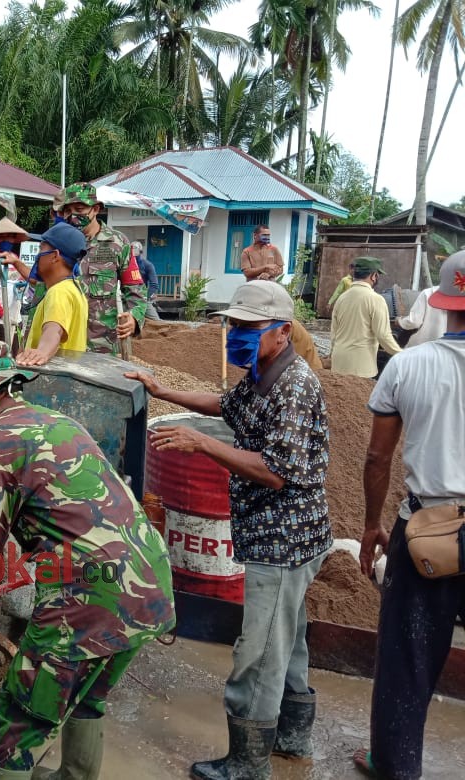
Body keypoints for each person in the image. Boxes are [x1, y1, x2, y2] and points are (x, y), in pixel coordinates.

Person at [0, 342, 175, 779]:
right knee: (87, 696)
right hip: (149, 580)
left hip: (87, 598)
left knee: (16, 726)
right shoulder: (59, 421)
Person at [126, 280, 332, 780]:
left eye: (247, 327)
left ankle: (247, 762)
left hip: (283, 540)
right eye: (232, 325)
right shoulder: (264, 373)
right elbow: (226, 405)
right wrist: (162, 390)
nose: (235, 335)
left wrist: (202, 446)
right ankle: (291, 734)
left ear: (282, 332)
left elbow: (275, 470)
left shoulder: (296, 386)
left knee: (258, 652)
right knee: (290, 638)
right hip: (281, 534)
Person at [353, 250, 465, 780]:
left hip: (428, 532)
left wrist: (372, 525)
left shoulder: (409, 365)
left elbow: (378, 457)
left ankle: (395, 764)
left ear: (444, 304)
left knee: (408, 653)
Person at [59, 183, 147, 354]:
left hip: (101, 346)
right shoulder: (57, 243)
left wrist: (134, 318)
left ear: (96, 209)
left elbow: (137, 291)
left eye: (79, 208)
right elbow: (42, 290)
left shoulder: (118, 243)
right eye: (68, 211)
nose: (73, 216)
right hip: (62, 342)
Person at [15, 222, 88, 367]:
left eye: (41, 249)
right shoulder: (74, 288)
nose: (38, 255)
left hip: (55, 382)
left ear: (55, 256)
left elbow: (54, 330)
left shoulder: (59, 292)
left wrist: (42, 352)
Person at [330, 257, 402, 378]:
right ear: (374, 276)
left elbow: (333, 334)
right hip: (361, 367)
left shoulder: (341, 298)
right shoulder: (376, 299)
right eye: (378, 274)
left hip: (338, 363)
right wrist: (402, 354)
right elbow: (383, 336)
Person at [0, 217, 29, 342]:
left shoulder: (14, 257)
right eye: (1, 237)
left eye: (8, 236)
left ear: (14, 238)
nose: (5, 240)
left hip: (14, 315)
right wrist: (2, 314)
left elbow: (18, 282)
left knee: (15, 354)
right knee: (0, 356)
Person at [397, 283, 447, 348]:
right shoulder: (460, 301)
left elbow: (414, 322)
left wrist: (399, 321)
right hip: (446, 350)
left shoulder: (427, 293)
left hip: (422, 348)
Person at [133, 241, 161, 321]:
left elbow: (154, 285)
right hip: (126, 297)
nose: (133, 252)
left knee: (157, 322)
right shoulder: (125, 264)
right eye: (131, 250)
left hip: (141, 297)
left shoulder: (147, 265)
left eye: (135, 249)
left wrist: (146, 297)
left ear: (140, 251)